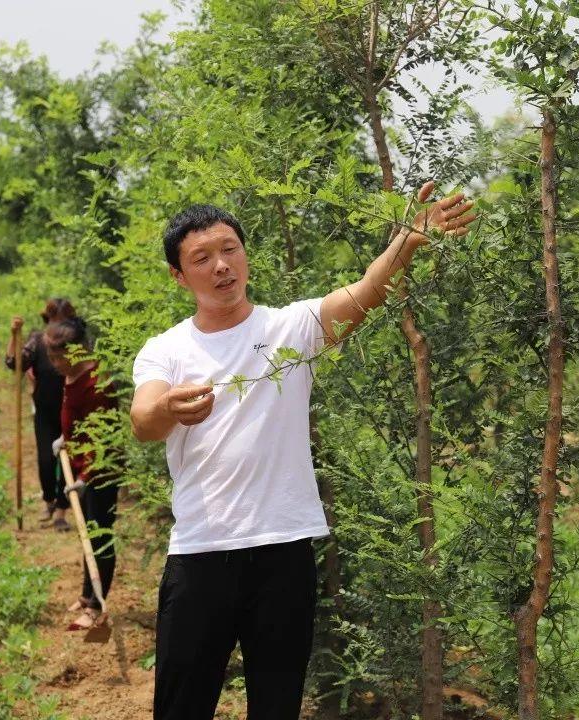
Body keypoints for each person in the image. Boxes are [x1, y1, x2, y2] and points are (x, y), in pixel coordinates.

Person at [130, 181, 475, 719]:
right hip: (200, 553)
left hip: (283, 552)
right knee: (180, 706)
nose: (221, 266)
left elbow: (366, 291)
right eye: (201, 258)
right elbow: (144, 420)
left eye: (230, 250)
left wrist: (406, 242)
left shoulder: (289, 328)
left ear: (245, 254)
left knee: (278, 705)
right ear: (179, 275)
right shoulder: (166, 350)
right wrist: (168, 408)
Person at [45, 317, 122, 631]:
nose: (55, 364)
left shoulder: (96, 383)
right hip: (82, 467)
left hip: (101, 471)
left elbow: (104, 438)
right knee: (87, 534)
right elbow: (80, 421)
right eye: (51, 358)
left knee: (99, 536)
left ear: (77, 351)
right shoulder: (72, 375)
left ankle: (96, 606)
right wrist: (66, 438)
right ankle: (87, 594)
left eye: (58, 357)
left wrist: (85, 479)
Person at [5, 298, 77, 531]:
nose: (60, 327)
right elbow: (14, 363)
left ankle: (61, 511)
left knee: (68, 461)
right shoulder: (38, 340)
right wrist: (14, 335)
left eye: (64, 322)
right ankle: (49, 501)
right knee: (46, 460)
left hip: (70, 410)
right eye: (56, 321)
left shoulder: (76, 342)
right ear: (48, 320)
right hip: (44, 411)